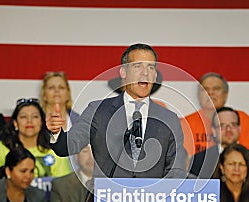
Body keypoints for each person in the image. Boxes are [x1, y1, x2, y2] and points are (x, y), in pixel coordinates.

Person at [46, 43, 187, 178]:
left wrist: (160, 197)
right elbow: (67, 147)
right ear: (123, 72)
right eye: (137, 66)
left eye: (150, 67)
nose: (145, 73)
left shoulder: (169, 119)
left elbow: (176, 170)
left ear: (155, 75)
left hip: (153, 200)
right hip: (107, 199)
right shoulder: (98, 111)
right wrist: (56, 133)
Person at [0, 98, 71, 183]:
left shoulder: (55, 149)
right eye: (23, 117)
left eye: (35, 117)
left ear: (41, 122)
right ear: (15, 123)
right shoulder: (1, 148)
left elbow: (65, 187)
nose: (29, 121)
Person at [189, 107, 249, 193]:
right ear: (214, 131)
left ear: (239, 128)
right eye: (222, 126)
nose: (228, 130)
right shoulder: (199, 161)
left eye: (233, 125)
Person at [181, 72, 249, 156]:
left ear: (225, 95)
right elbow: (185, 160)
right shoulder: (186, 123)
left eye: (216, 88)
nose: (210, 93)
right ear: (199, 95)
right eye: (205, 89)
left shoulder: (242, 118)